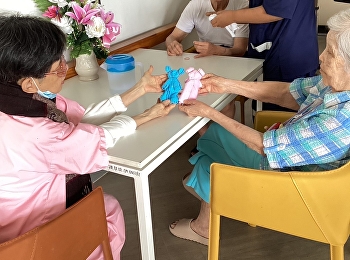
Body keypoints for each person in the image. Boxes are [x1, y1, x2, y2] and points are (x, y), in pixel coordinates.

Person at [169, 8, 350, 246]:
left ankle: (204, 209)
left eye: (331, 53)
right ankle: (203, 211)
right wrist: (224, 84)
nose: (321, 56)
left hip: (293, 185)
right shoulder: (336, 88)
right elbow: (287, 93)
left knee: (213, 140)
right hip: (284, 155)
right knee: (211, 154)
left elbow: (264, 147)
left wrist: (209, 113)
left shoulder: (339, 120)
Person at [0, 14, 175, 259]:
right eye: (57, 66)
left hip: (11, 218)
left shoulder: (16, 102)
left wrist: (139, 90)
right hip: (31, 236)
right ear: (29, 84)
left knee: (108, 205)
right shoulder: (33, 132)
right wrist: (145, 116)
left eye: (62, 58)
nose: (65, 67)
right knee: (106, 213)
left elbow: (73, 122)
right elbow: (88, 140)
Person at [209, 0, 320, 111]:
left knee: (278, 112)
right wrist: (229, 15)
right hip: (278, 51)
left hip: (287, 56)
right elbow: (267, 5)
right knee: (264, 104)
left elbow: (276, 10)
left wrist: (233, 16)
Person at [166, 0, 249, 58]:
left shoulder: (242, 5)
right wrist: (172, 45)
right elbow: (172, 37)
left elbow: (240, 50)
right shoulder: (195, 4)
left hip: (234, 59)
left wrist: (217, 51)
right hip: (205, 57)